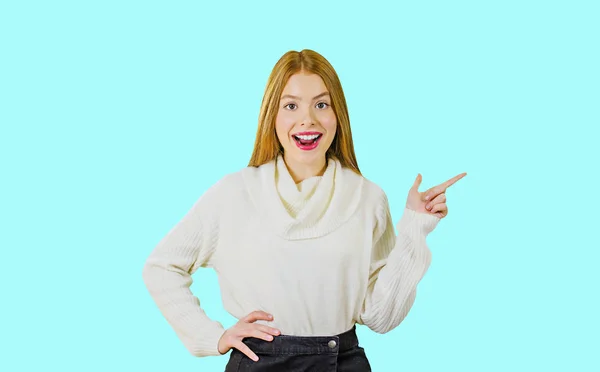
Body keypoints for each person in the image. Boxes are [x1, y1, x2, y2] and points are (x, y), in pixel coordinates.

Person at [142, 49, 466, 371]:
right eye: (291, 105)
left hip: (342, 360)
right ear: (273, 115)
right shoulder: (233, 194)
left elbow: (380, 317)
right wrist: (212, 336)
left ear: (338, 113)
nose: (307, 119)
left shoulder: (367, 198)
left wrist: (415, 226)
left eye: (321, 104)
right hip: (259, 361)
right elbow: (161, 267)